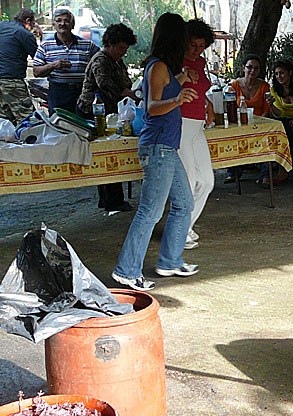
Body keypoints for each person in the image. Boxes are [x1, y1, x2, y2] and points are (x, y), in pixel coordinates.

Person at [112, 13, 199, 291]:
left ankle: (170, 261)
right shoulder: (157, 66)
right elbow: (152, 106)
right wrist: (177, 97)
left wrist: (181, 80)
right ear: (175, 39)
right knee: (150, 211)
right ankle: (127, 271)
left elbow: (164, 92)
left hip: (167, 147)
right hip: (158, 147)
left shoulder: (165, 68)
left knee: (184, 203)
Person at [76, 23, 138, 213]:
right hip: (93, 112)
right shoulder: (100, 61)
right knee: (107, 155)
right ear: (109, 43)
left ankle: (109, 198)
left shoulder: (116, 60)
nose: (123, 52)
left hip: (111, 113)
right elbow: (107, 86)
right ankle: (112, 200)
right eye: (120, 48)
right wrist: (128, 93)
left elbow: (125, 81)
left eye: (125, 49)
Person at [178, 18, 215, 251]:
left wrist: (209, 104)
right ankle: (179, 232)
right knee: (189, 181)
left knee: (207, 181)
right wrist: (181, 74)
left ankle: (185, 226)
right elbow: (158, 91)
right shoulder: (171, 62)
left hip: (198, 126)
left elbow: (200, 90)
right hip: (179, 124)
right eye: (193, 44)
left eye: (201, 46)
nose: (197, 50)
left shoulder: (200, 62)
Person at [33, 8, 99, 114]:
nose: (62, 23)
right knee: (59, 125)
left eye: (66, 21)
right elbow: (36, 72)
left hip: (82, 93)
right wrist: (53, 65)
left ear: (72, 25)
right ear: (54, 25)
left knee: (83, 126)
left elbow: (102, 60)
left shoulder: (87, 45)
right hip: (58, 93)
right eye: (59, 20)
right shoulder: (45, 45)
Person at [223, 54, 271, 184]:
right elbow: (229, 107)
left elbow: (267, 110)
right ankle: (233, 171)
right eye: (249, 67)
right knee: (231, 136)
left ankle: (266, 174)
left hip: (259, 123)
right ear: (243, 68)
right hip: (240, 124)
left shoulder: (264, 86)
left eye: (256, 68)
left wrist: (258, 123)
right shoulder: (234, 85)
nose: (252, 71)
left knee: (264, 137)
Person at [0, 8, 38, 125]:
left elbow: (14, 39)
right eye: (32, 23)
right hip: (13, 83)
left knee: (5, 121)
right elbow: (38, 57)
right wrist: (35, 37)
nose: (33, 26)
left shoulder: (2, 25)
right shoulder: (26, 35)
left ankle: (8, 142)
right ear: (27, 20)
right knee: (28, 120)